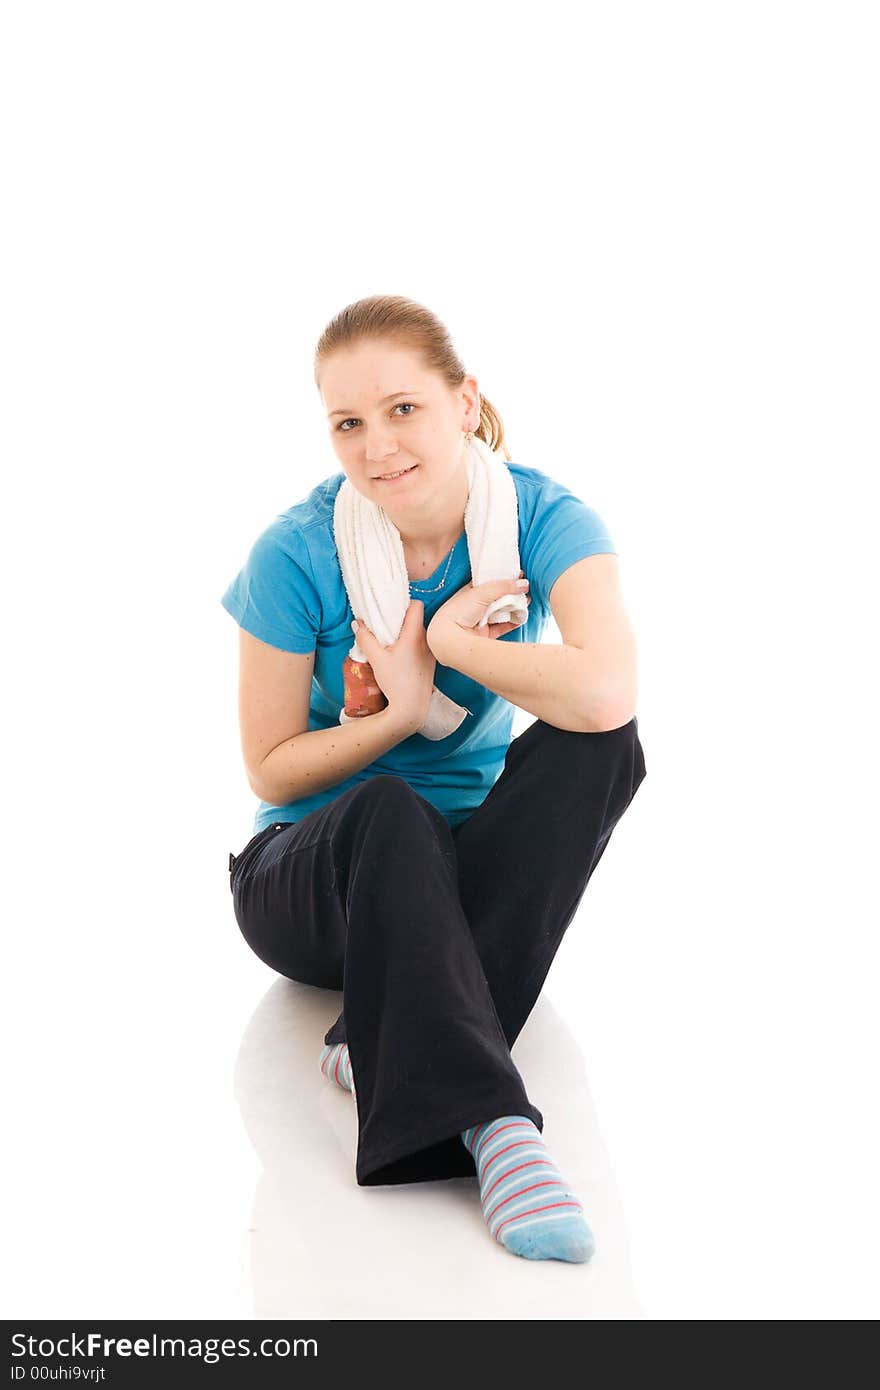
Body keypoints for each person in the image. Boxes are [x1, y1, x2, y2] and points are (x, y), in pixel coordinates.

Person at [221, 294, 647, 1264]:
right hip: (309, 876)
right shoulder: (294, 551)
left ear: (464, 402)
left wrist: (455, 640)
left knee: (601, 743)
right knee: (391, 808)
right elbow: (268, 762)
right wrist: (401, 716)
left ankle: (384, 1032)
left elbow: (607, 691)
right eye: (347, 422)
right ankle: (498, 1131)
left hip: (452, 885)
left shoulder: (542, 517)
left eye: (402, 408)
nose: (376, 447)